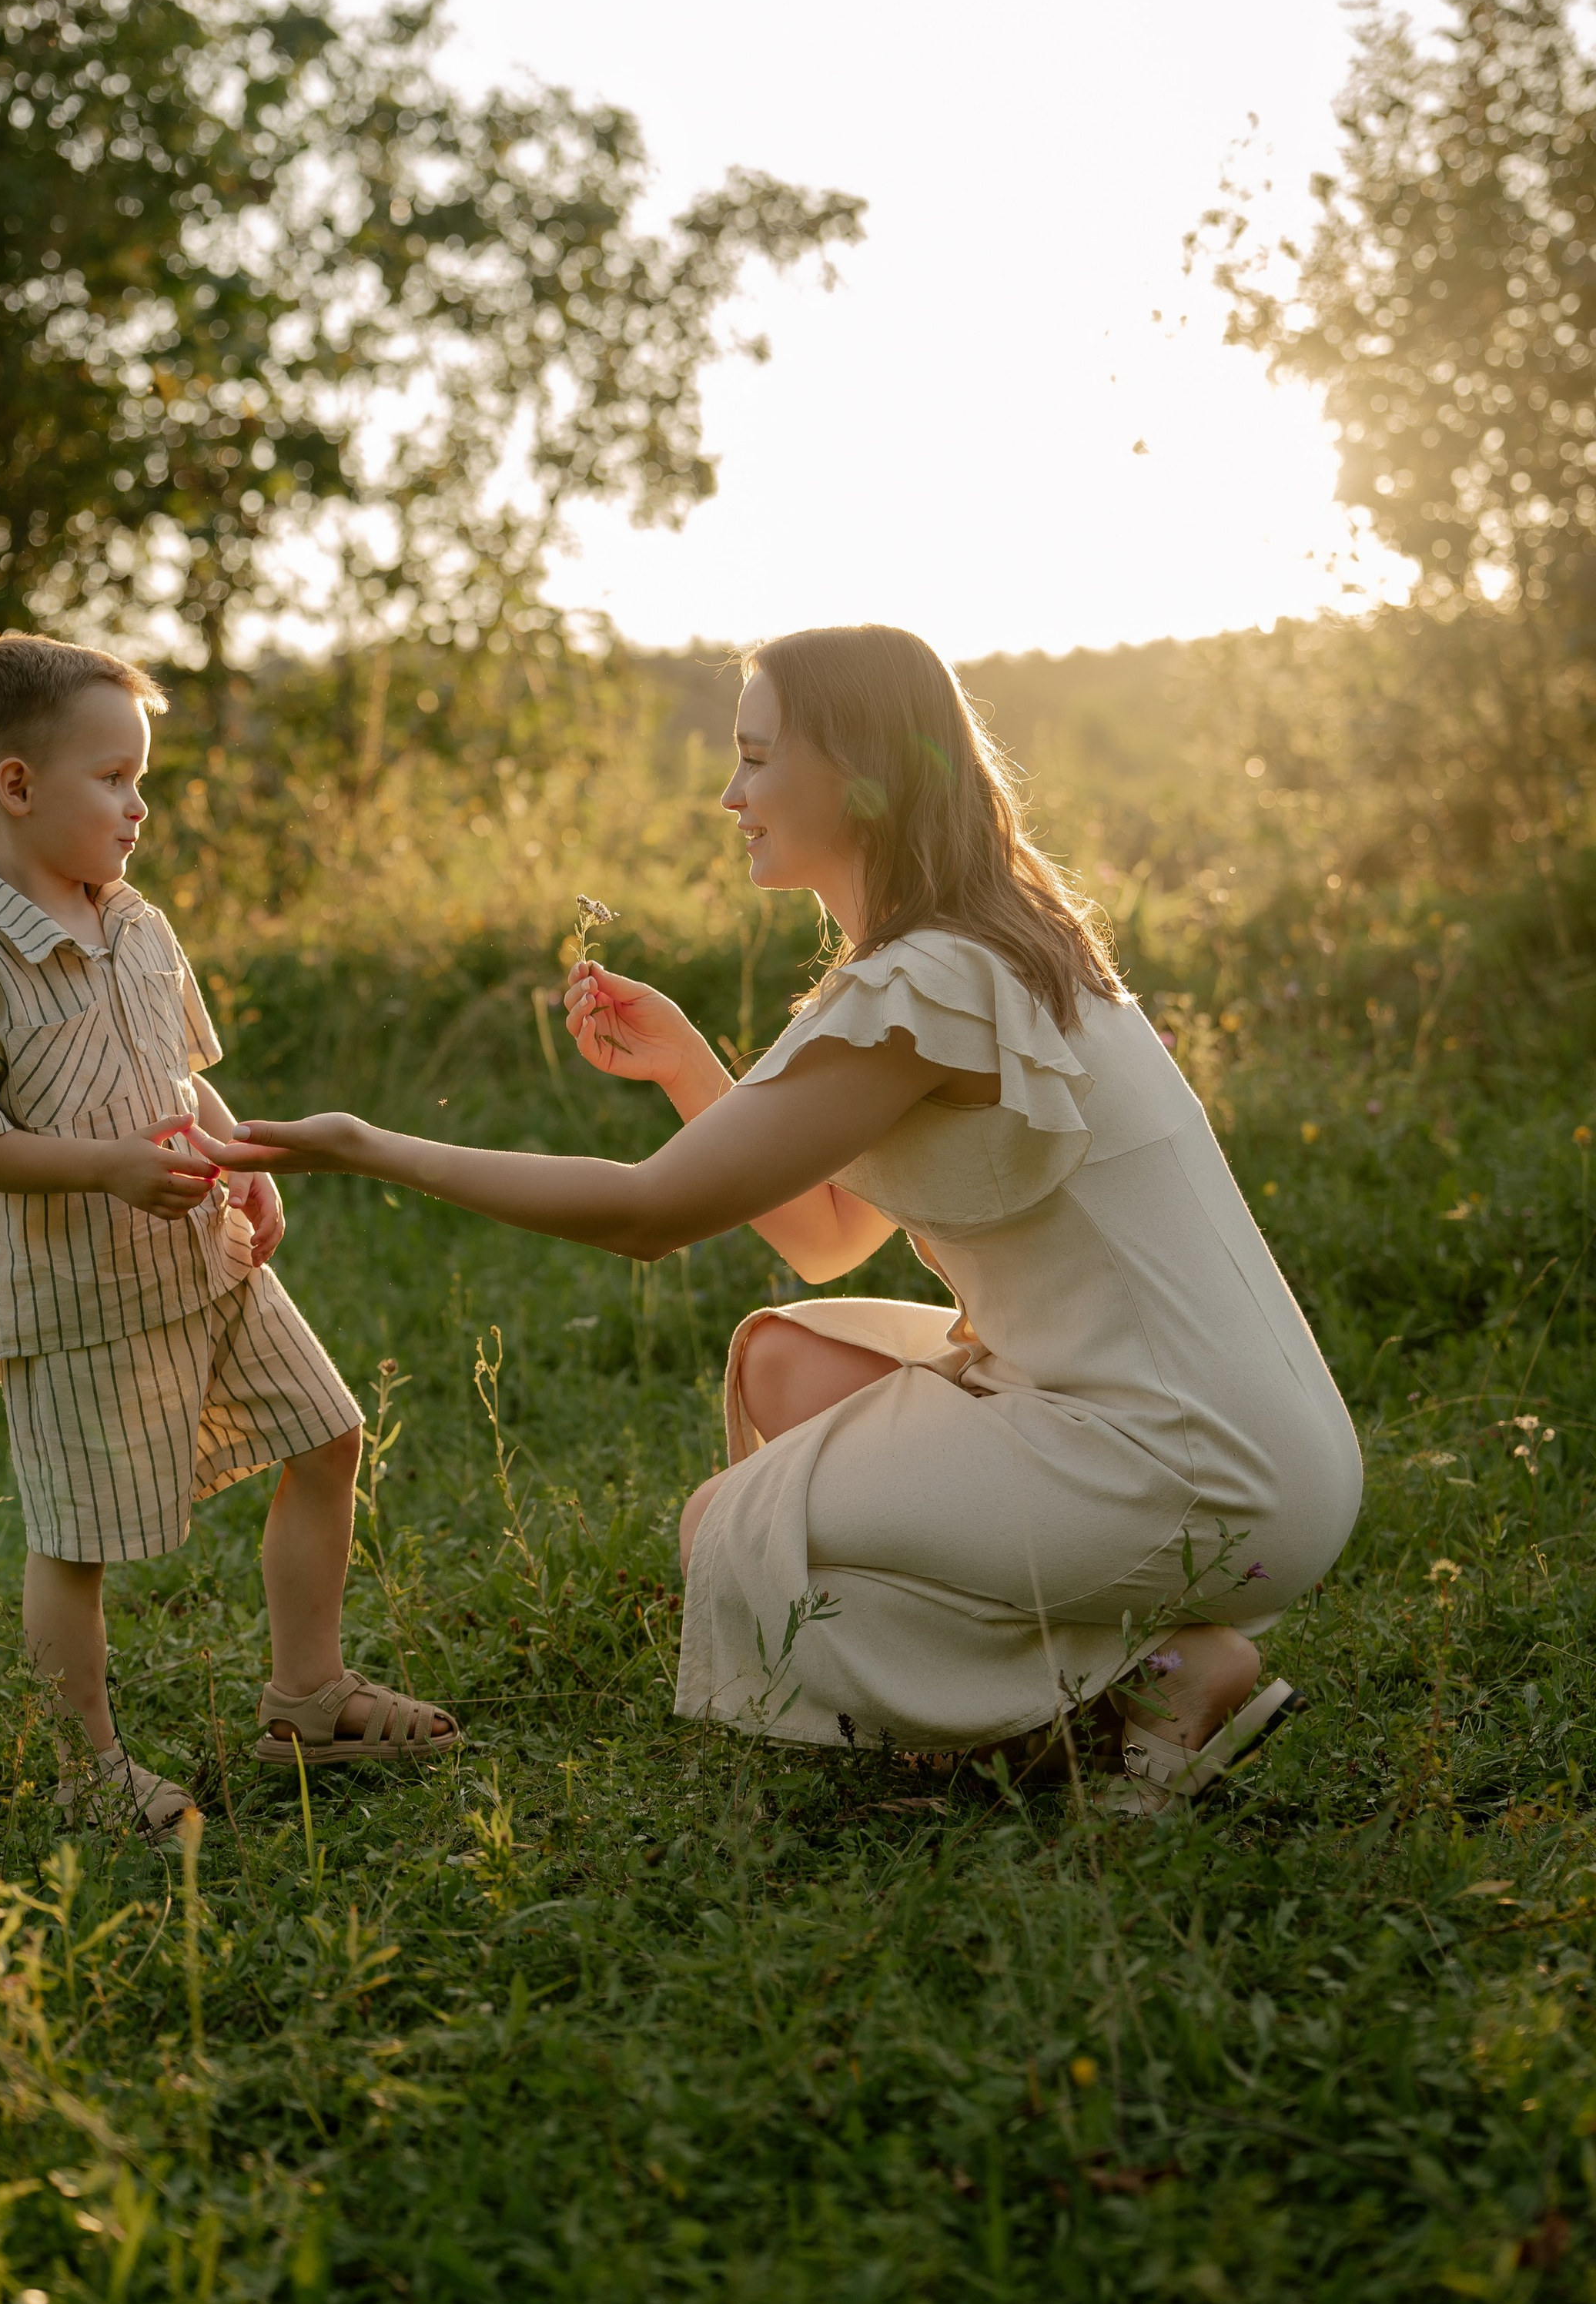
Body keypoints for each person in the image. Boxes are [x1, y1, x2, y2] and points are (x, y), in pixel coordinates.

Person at [200, 625, 1363, 1814]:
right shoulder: (986, 949)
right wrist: (694, 1069)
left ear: (858, 773)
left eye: (757, 759)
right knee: (786, 1369)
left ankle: (1148, 1686)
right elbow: (824, 1238)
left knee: (734, 1536)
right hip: (1237, 1442)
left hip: (1195, 1466)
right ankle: (1120, 1674)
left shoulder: (927, 985)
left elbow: (653, 1214)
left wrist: (370, 1146)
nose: (730, 794)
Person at [0, 632, 457, 1844]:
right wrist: (108, 1168)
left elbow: (180, 1073)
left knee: (329, 1432)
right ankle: (86, 1767)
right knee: (77, 1537)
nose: (138, 806)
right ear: (16, 786)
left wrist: (240, 1164)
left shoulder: (139, 924)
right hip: (78, 1294)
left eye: (139, 779)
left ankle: (307, 1696)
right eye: (113, 779)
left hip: (204, 1260)